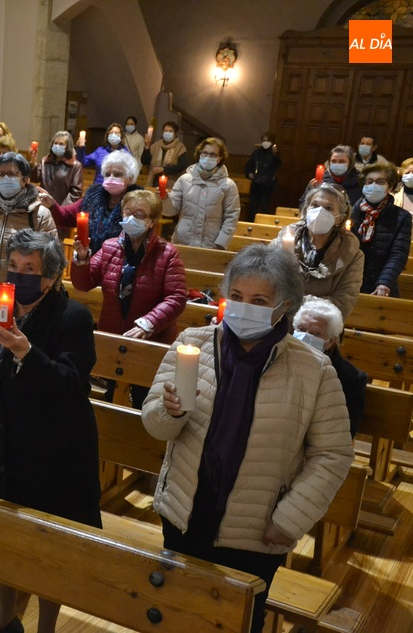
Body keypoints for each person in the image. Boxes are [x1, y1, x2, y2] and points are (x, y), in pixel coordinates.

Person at [142, 244, 354, 633]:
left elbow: (333, 454)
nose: (244, 307)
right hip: (185, 512)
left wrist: (290, 518)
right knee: (175, 614)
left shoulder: (314, 370)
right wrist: (169, 412)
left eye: (258, 301)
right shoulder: (194, 343)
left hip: (255, 530)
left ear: (283, 306)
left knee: (236, 623)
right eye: (237, 296)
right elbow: (155, 425)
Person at [0, 229, 101, 633]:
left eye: (30, 269)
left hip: (52, 461)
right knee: (1, 543)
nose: (19, 276)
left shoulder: (72, 318)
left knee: (50, 553)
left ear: (50, 277)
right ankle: (4, 618)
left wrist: (26, 352)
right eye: (14, 266)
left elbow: (71, 385)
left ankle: (46, 627)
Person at [70, 190, 187, 407]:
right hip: (114, 334)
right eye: (128, 212)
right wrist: (82, 258)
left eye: (140, 214)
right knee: (111, 397)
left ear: (152, 221)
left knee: (144, 400)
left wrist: (149, 323)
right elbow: (83, 284)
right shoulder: (110, 246)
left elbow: (177, 297)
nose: (132, 218)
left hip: (151, 339)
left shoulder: (167, 253)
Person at [0, 152, 58, 300]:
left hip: (21, 299)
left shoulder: (39, 215)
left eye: (12, 174)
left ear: (25, 180)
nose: (5, 178)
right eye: (1, 174)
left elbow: (53, 262)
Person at [270, 183, 362, 317]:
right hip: (277, 320)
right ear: (307, 209)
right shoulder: (283, 240)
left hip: (317, 324)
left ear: (339, 218)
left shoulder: (352, 254)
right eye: (315, 205)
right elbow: (266, 283)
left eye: (328, 208)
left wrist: (294, 302)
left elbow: (343, 303)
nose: (319, 212)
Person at [39, 150, 141, 254]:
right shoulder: (93, 197)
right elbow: (65, 216)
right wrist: (52, 205)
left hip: (120, 259)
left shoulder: (138, 203)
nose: (111, 178)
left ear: (130, 178)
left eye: (117, 174)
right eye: (107, 174)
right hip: (89, 257)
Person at [293, 297, 366, 437]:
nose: (305, 337)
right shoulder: (277, 360)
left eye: (316, 334)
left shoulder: (349, 378)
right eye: (301, 329)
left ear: (331, 341)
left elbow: (344, 431)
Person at [348, 162, 411, 297]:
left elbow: (398, 253)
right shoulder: (351, 213)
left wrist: (385, 282)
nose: (373, 185)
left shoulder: (401, 217)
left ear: (390, 186)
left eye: (380, 182)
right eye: (369, 181)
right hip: (349, 282)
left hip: (380, 284)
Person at [168, 137, 240, 250]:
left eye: (212, 154)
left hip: (211, 245)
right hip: (183, 242)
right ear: (199, 154)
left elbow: (231, 217)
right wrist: (164, 198)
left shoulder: (228, 185)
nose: (207, 157)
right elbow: (170, 210)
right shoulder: (184, 180)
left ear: (219, 158)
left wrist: (221, 243)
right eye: (205, 153)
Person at [29, 130, 83, 210]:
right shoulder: (45, 161)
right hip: (43, 206)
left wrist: (60, 210)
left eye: (61, 144)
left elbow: (75, 194)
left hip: (62, 209)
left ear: (67, 147)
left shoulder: (75, 166)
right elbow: (34, 179)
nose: (57, 146)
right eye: (55, 143)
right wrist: (33, 162)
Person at [76, 122, 129, 187]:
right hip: (99, 188)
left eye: (116, 133)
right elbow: (83, 163)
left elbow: (130, 173)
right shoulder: (100, 151)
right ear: (107, 135)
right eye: (111, 133)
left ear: (121, 136)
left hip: (117, 189)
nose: (113, 135)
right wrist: (80, 149)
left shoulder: (125, 153)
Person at [245, 132, 282, 220]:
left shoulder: (274, 154)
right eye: (263, 140)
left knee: (264, 208)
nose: (265, 142)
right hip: (256, 184)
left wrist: (275, 154)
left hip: (268, 186)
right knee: (252, 208)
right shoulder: (257, 153)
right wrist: (249, 174)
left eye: (267, 140)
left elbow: (278, 165)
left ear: (272, 142)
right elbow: (248, 167)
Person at [142, 121, 189, 188]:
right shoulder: (156, 146)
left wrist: (163, 169)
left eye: (170, 131)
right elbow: (144, 161)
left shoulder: (180, 148)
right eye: (166, 131)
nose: (167, 133)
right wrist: (147, 146)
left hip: (170, 183)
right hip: (154, 182)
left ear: (175, 134)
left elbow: (182, 165)